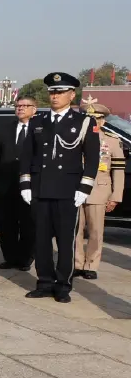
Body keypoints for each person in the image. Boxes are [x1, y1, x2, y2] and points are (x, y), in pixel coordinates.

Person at [21, 72, 100, 303]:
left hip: (68, 191)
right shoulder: (38, 121)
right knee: (41, 239)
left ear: (71, 94)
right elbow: (27, 155)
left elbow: (92, 159)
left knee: (66, 241)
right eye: (52, 92)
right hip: (41, 188)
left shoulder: (84, 122)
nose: (54, 96)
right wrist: (25, 183)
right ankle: (44, 282)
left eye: (60, 92)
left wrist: (84, 189)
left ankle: (63, 285)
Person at [73, 103, 124, 280]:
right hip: (76, 190)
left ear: (103, 121)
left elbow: (118, 170)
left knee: (95, 231)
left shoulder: (111, 140)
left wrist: (115, 196)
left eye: (97, 119)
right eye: (90, 119)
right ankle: (77, 263)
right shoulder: (75, 137)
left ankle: (91, 265)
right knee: (75, 230)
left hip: (99, 191)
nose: (94, 122)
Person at [0, 96, 37, 271]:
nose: (21, 108)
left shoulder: (39, 129)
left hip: (30, 185)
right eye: (18, 106)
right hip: (6, 184)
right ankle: (9, 257)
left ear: (34, 109)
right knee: (7, 224)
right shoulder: (5, 129)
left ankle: (25, 258)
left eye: (25, 106)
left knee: (28, 224)